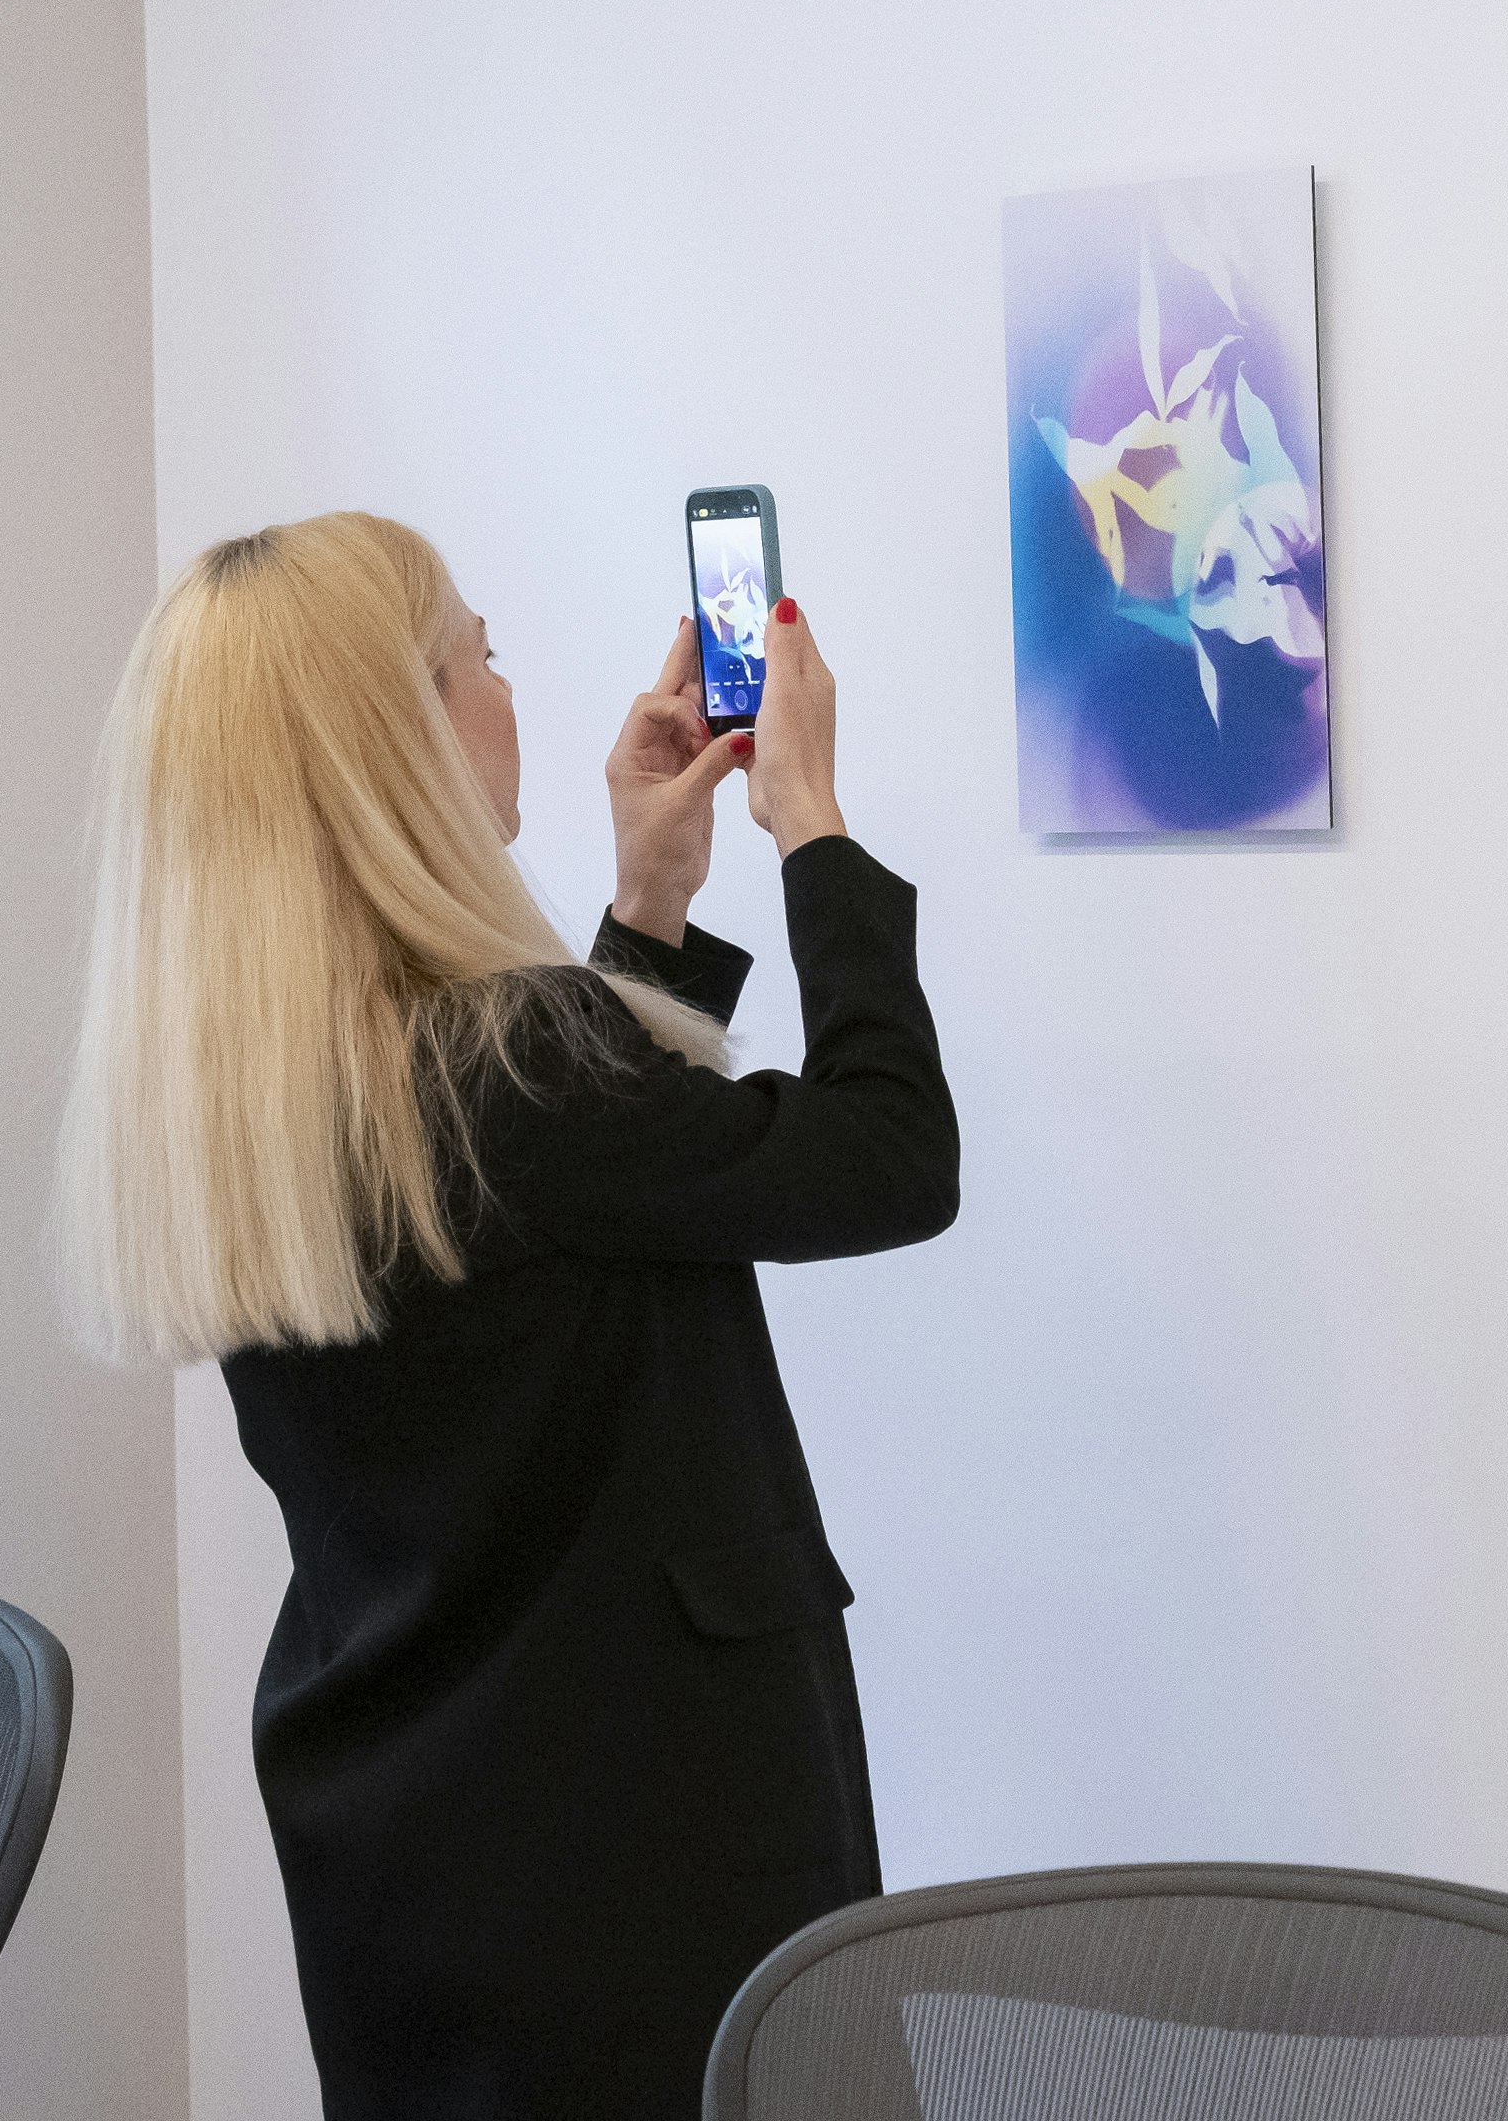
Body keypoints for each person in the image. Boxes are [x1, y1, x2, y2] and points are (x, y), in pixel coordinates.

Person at [52, 511, 956, 2119]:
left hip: (411, 1842)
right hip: (649, 1844)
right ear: (402, 737)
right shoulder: (511, 1071)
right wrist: (808, 822)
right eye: (482, 654)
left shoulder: (258, 1089)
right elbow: (891, 1158)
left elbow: (545, 1232)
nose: (509, 688)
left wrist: (651, 908)